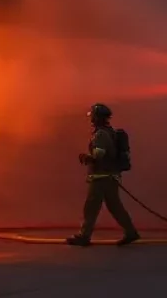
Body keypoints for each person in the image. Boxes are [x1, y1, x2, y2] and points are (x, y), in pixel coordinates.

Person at [66, 103, 140, 248]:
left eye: (92, 116)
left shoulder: (100, 135)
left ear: (96, 117)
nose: (91, 119)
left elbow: (98, 154)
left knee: (91, 207)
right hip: (111, 177)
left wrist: (85, 157)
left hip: (101, 178)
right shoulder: (110, 132)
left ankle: (84, 236)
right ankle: (131, 232)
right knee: (115, 207)